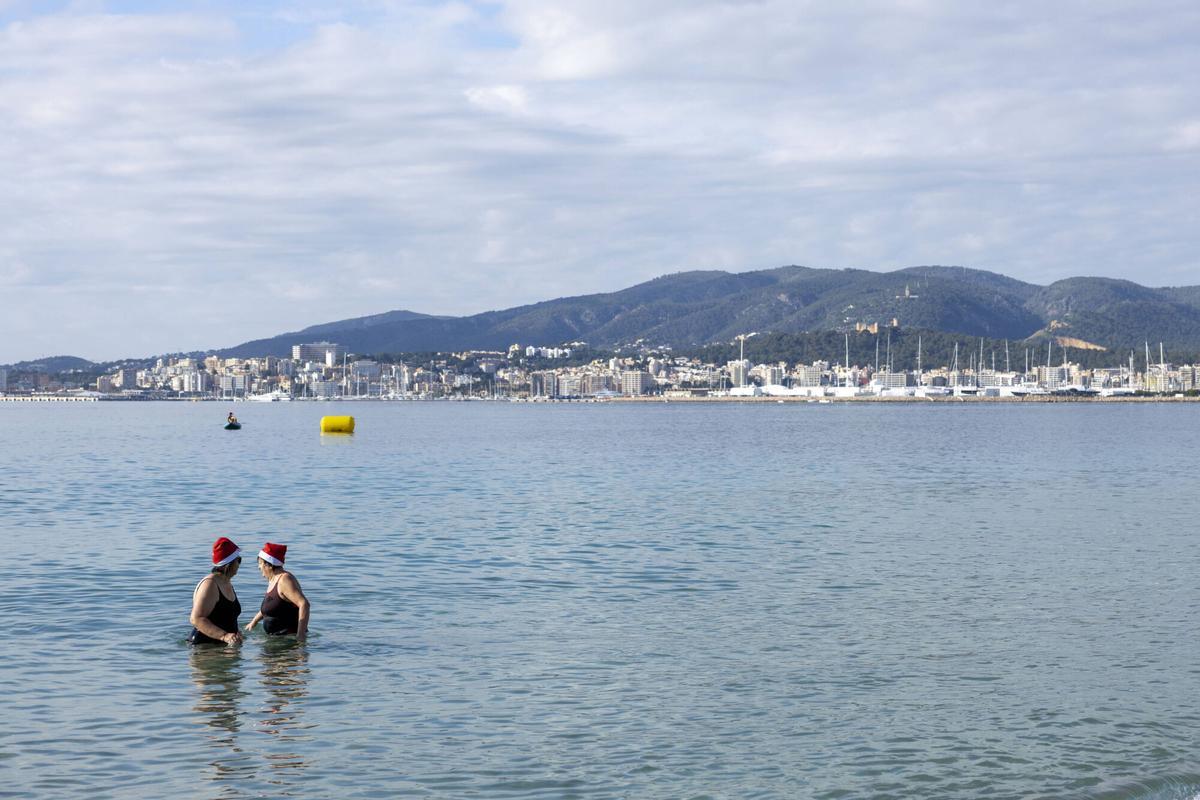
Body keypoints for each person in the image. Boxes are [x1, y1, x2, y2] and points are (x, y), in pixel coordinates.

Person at [245, 542, 310, 642]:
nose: (259, 567)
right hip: (276, 640)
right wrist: (253, 622)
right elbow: (271, 607)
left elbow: (304, 604)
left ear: (269, 565)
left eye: (260, 563)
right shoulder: (273, 580)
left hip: (288, 641)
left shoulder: (284, 580)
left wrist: (300, 636)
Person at [189, 537, 244, 646]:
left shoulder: (226, 582)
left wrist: (235, 634)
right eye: (238, 560)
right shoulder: (210, 584)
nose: (239, 564)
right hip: (204, 647)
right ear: (229, 564)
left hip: (222, 646)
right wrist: (224, 636)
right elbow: (196, 619)